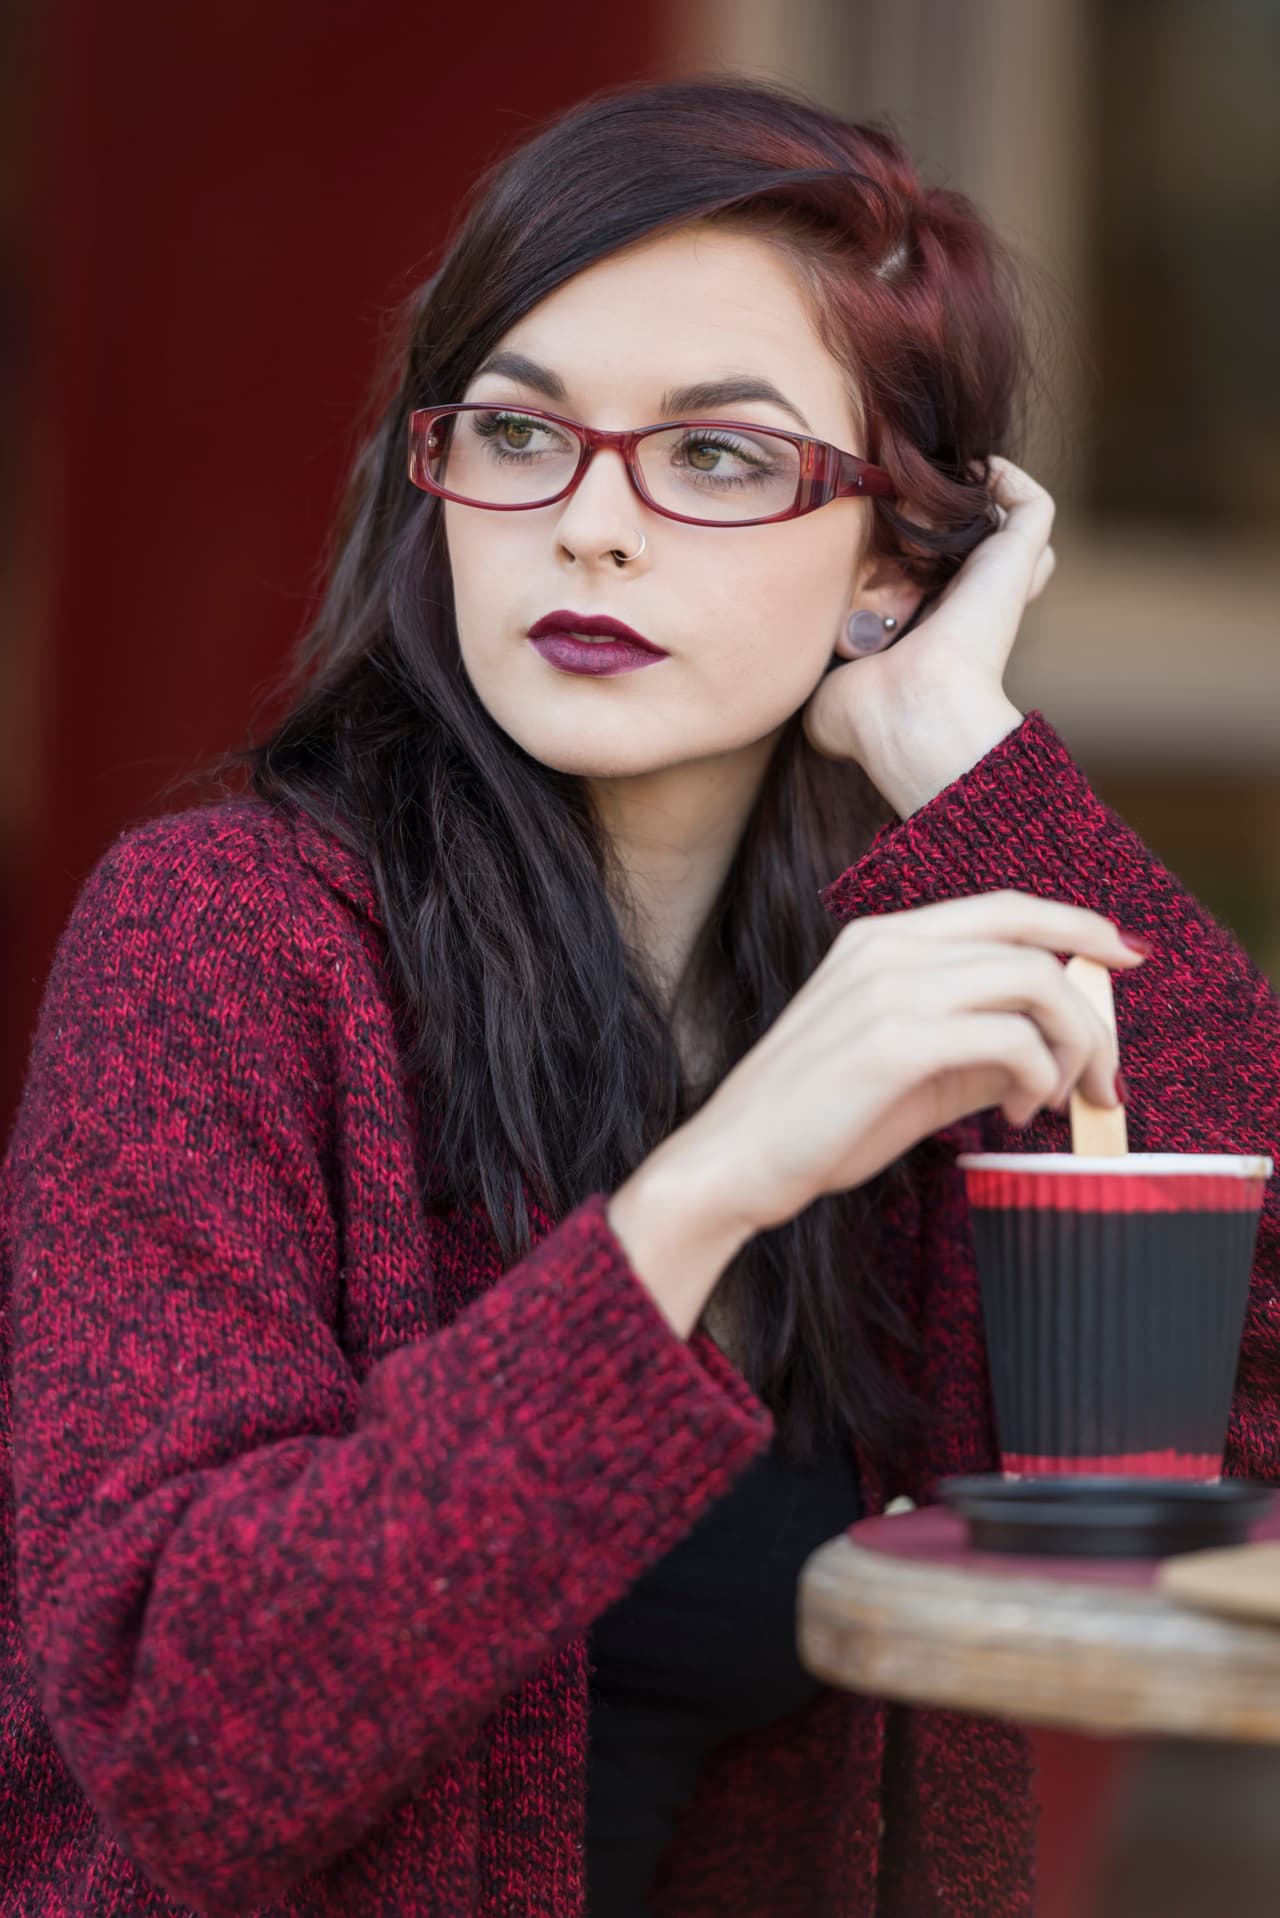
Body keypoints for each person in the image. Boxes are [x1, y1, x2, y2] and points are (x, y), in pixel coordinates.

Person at [1, 72, 1276, 1918]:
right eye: (520, 434)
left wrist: (971, 760)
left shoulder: (912, 1002)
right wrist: (707, 1192)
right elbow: (185, 1726)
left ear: (893, 560)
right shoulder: (227, 939)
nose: (589, 527)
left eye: (720, 456)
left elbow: (1250, 1380)